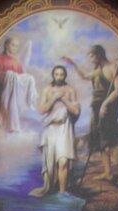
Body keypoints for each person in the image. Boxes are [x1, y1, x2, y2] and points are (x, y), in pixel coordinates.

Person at [63, 44, 118, 186]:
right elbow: (84, 76)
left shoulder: (112, 68)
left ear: (99, 55)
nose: (90, 59)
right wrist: (73, 63)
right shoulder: (97, 69)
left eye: (92, 56)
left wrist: (105, 105)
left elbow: (117, 91)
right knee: (100, 142)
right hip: (96, 106)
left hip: (108, 107)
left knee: (109, 142)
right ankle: (107, 172)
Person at [30, 65, 80, 198]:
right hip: (51, 129)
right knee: (51, 164)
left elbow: (76, 111)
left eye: (61, 74)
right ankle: (52, 187)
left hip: (65, 127)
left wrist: (63, 98)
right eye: (56, 74)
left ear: (65, 76)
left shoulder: (70, 90)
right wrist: (54, 98)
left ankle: (62, 193)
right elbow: (41, 110)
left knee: (63, 161)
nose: (59, 77)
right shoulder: (47, 89)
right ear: (53, 75)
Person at [0, 35, 38, 134]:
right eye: (13, 45)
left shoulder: (17, 61)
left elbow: (22, 77)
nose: (15, 48)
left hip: (15, 91)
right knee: (10, 74)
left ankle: (14, 126)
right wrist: (9, 76)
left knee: (30, 78)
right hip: (3, 90)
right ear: (6, 45)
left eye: (17, 46)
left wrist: (27, 79)